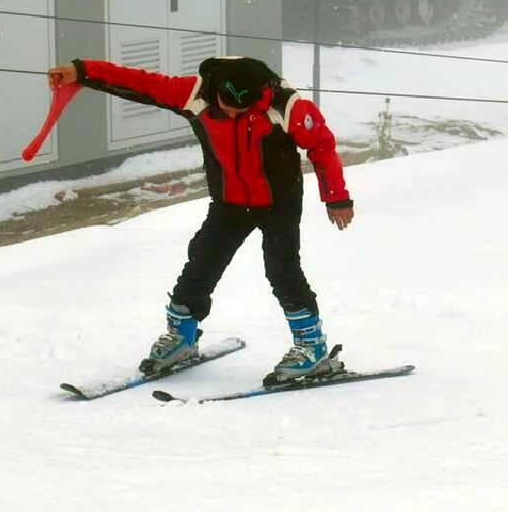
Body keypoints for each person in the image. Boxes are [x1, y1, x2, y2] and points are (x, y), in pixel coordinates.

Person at [46, 55, 355, 386]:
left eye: (244, 109)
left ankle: (312, 348)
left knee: (282, 269)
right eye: (228, 106)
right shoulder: (195, 94)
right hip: (229, 202)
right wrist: (82, 71)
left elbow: (322, 146)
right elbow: (137, 82)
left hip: (278, 202)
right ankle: (182, 338)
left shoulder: (286, 105)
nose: (235, 113)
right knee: (202, 262)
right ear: (217, 91)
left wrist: (336, 197)